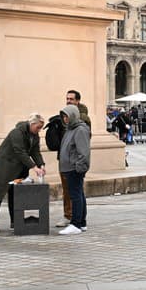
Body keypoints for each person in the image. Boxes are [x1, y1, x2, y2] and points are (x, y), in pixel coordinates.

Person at [0, 113, 45, 232]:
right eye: (38, 127)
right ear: (32, 124)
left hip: (19, 170)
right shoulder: (17, 133)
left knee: (15, 195)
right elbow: (19, 152)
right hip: (5, 167)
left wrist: (41, 164)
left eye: (40, 128)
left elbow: (35, 152)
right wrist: (34, 167)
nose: (39, 130)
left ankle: (15, 221)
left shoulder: (35, 136)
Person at [55, 89, 91, 228]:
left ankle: (76, 222)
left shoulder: (81, 123)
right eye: (67, 98)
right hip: (67, 163)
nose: (68, 100)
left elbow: (83, 147)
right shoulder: (67, 121)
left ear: (77, 101)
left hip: (74, 165)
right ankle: (77, 221)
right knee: (71, 192)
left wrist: (79, 167)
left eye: (71, 99)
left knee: (75, 194)